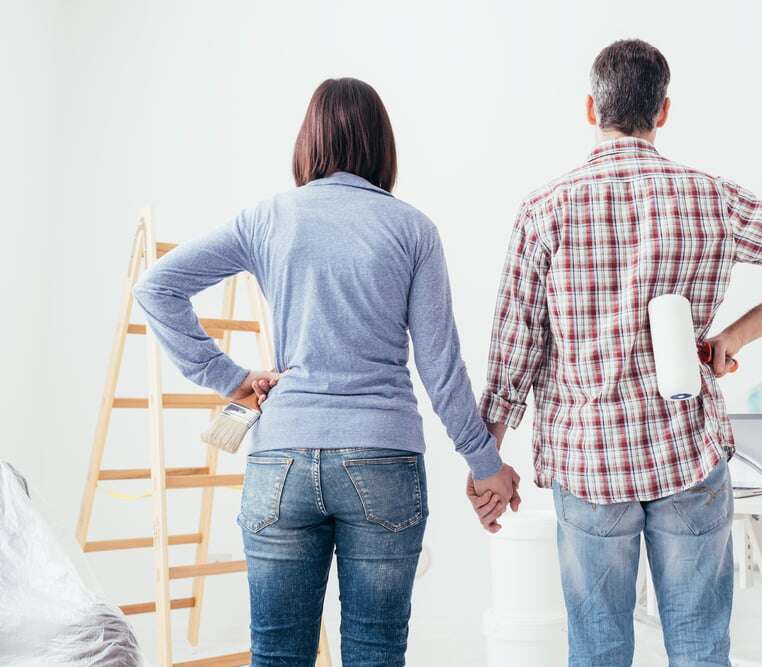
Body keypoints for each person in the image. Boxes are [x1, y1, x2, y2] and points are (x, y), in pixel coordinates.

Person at [468, 39, 762, 666]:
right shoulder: (711, 198)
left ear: (591, 110)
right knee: (700, 645)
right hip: (686, 452)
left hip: (589, 462)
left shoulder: (546, 210)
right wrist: (731, 339)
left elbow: (515, 350)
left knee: (597, 649)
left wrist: (488, 466)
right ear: (664, 112)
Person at [133, 78, 519, 667]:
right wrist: (485, 465)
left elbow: (156, 287)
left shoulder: (267, 219)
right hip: (382, 458)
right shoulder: (412, 229)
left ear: (308, 142)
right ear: (382, 146)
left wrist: (227, 377)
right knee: (374, 653)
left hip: (280, 459)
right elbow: (440, 366)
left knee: (278, 655)